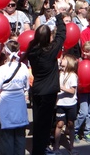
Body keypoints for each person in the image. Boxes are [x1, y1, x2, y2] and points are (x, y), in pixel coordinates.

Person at [27, 13, 66, 155]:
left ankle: (38, 149)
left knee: (38, 122)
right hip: (48, 92)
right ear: (48, 37)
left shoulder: (32, 50)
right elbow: (61, 36)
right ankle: (40, 150)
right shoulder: (50, 50)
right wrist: (60, 18)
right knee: (45, 123)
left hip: (37, 90)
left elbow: (59, 37)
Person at [0, 40, 29, 155]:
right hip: (20, 104)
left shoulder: (2, 69)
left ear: (6, 51)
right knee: (20, 137)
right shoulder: (24, 67)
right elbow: (26, 86)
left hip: (6, 104)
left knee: (6, 137)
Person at [74, 41, 90, 144]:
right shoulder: (78, 61)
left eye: (87, 52)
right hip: (83, 91)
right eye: (83, 51)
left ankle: (87, 132)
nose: (84, 53)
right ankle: (75, 131)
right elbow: (75, 75)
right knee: (83, 113)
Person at [53, 54, 78, 155]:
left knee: (71, 124)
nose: (61, 60)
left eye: (63, 59)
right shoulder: (59, 73)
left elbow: (72, 91)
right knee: (59, 124)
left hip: (71, 104)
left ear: (69, 63)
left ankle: (71, 147)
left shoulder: (72, 75)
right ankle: (56, 146)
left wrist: (61, 87)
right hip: (60, 104)